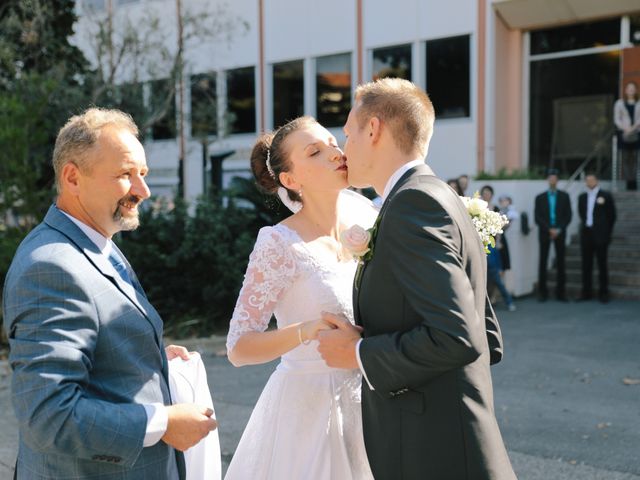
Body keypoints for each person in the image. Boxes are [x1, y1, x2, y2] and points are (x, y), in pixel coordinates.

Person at [2, 108, 217, 479]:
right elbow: (50, 416)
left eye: (144, 175)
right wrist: (162, 421)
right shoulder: (50, 267)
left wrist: (146, 359)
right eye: (125, 175)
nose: (143, 191)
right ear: (72, 177)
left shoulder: (96, 241)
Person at [317, 78, 515, 479]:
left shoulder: (413, 203)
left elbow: (460, 336)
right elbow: (487, 333)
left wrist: (358, 353)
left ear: (373, 129)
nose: (344, 147)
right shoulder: (434, 195)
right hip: (446, 434)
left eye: (348, 133)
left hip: (435, 451)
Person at [224, 116, 376, 479]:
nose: (334, 152)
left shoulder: (366, 221)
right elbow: (238, 347)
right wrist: (305, 331)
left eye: (332, 142)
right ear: (291, 180)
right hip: (309, 414)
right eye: (315, 151)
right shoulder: (279, 243)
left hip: (371, 403)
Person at [578, 173, 617, 303]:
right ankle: (586, 292)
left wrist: (606, 232)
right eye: (587, 180)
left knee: (602, 264)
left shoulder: (605, 195)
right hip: (586, 234)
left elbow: (612, 216)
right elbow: (581, 214)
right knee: (586, 264)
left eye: (592, 180)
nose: (589, 182)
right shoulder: (582, 197)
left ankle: (603, 292)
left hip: (601, 235)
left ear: (597, 181)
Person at [534, 169, 572, 302]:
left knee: (561, 262)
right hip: (545, 233)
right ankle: (542, 293)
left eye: (554, 179)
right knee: (542, 261)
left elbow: (568, 216)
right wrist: (549, 229)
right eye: (550, 178)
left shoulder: (564, 196)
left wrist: (558, 229)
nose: (552, 181)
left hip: (560, 233)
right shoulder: (539, 197)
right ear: (547, 180)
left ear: (558, 181)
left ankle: (561, 293)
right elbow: (537, 217)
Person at [613, 80, 640, 190]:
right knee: (625, 159)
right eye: (629, 89)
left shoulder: (639, 103)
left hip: (636, 134)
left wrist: (632, 129)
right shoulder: (619, 103)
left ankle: (634, 183)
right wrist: (625, 129)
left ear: (636, 91)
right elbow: (616, 119)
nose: (631, 91)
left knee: (635, 159)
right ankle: (627, 183)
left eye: (633, 89)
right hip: (623, 134)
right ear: (625, 90)